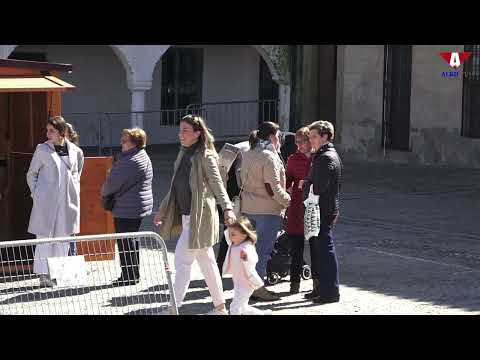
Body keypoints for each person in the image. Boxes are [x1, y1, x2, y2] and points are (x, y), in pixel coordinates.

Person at [154, 114, 236, 315]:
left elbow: (218, 185)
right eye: (180, 130)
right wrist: (163, 210)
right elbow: (175, 186)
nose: (180, 134)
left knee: (182, 262)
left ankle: (173, 308)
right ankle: (220, 307)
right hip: (187, 217)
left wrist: (228, 208)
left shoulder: (206, 155)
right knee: (207, 263)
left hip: (199, 218)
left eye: (185, 131)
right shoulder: (183, 153)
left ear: (197, 134)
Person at [27, 116, 84, 287]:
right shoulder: (42, 149)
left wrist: (75, 192)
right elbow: (31, 174)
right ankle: (44, 275)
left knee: (62, 239)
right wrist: (36, 194)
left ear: (61, 132)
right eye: (47, 130)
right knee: (44, 238)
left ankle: (59, 274)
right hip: (46, 201)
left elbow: (77, 173)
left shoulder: (76, 151)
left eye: (51, 130)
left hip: (67, 203)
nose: (47, 133)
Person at [240, 121, 291, 301]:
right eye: (277, 136)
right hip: (267, 210)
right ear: (271, 137)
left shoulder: (248, 153)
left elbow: (241, 182)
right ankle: (258, 288)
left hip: (248, 208)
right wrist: (289, 201)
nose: (279, 140)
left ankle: (247, 285)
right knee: (262, 251)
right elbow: (273, 188)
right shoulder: (269, 156)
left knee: (250, 250)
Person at [102, 128, 153, 286]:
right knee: (132, 240)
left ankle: (128, 276)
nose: (121, 143)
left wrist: (104, 190)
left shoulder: (131, 160)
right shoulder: (140, 156)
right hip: (135, 205)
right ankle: (132, 274)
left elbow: (112, 184)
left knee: (125, 242)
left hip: (127, 207)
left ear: (134, 143)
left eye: (124, 141)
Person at [303, 120, 343, 304]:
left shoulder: (326, 157)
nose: (311, 140)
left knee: (325, 250)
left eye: (314, 137)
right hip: (321, 208)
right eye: (310, 137)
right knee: (319, 250)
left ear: (325, 137)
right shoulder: (321, 155)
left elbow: (319, 186)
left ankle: (330, 292)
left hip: (323, 210)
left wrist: (306, 184)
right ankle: (321, 288)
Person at [222, 217, 272, 315]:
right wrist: (228, 225)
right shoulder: (233, 244)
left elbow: (254, 259)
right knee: (243, 306)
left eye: (233, 234)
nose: (230, 236)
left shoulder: (247, 246)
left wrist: (246, 258)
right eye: (230, 234)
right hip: (238, 282)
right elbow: (228, 236)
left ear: (244, 234)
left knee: (235, 305)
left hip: (246, 283)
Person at [285, 127, 313, 294]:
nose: (299, 145)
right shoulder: (293, 159)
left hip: (314, 208)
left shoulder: (319, 158)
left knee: (317, 248)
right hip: (296, 208)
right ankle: (294, 284)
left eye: (302, 142)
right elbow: (287, 181)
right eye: (297, 142)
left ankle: (318, 285)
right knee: (296, 248)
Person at [64, 122, 80, 256]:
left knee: (71, 230)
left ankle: (72, 258)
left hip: (70, 196)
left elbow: (78, 173)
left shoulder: (77, 152)